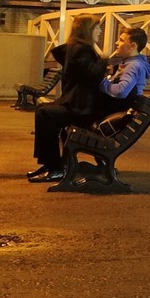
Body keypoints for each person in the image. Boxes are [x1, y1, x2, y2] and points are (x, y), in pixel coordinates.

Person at [29, 17, 106, 182]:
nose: (100, 31)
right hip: (81, 107)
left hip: (82, 108)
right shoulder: (82, 49)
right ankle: (52, 165)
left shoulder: (76, 48)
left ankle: (54, 166)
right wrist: (104, 61)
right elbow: (93, 74)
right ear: (86, 30)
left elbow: (89, 74)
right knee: (43, 112)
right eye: (97, 28)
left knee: (45, 114)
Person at [97, 26, 150, 115]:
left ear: (133, 46)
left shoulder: (133, 66)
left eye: (121, 40)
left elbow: (121, 91)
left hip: (118, 108)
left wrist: (100, 81)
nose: (116, 43)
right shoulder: (133, 62)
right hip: (123, 106)